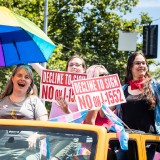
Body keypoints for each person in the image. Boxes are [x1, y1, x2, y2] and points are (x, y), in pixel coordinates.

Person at [30, 55, 87, 159]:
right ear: (67, 69)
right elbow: (41, 70)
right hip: (51, 133)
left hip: (70, 135)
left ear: (84, 69)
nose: (74, 67)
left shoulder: (86, 90)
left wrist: (67, 110)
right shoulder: (57, 83)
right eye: (71, 65)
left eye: (78, 65)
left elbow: (81, 120)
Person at [114, 52, 160, 160]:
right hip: (125, 141)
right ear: (130, 66)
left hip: (147, 142)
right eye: (138, 63)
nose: (141, 66)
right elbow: (104, 111)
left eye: (144, 63)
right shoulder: (122, 89)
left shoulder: (156, 87)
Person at [0, 64, 48, 159]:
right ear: (13, 78)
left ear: (30, 82)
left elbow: (45, 128)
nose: (22, 79)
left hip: (26, 151)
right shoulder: (1, 101)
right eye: (19, 75)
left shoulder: (35, 101)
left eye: (27, 77)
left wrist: (35, 136)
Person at [83, 65, 113, 129]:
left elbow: (104, 114)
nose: (106, 77)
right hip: (100, 135)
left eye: (107, 75)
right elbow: (90, 122)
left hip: (111, 134)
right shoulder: (93, 96)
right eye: (102, 75)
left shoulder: (109, 95)